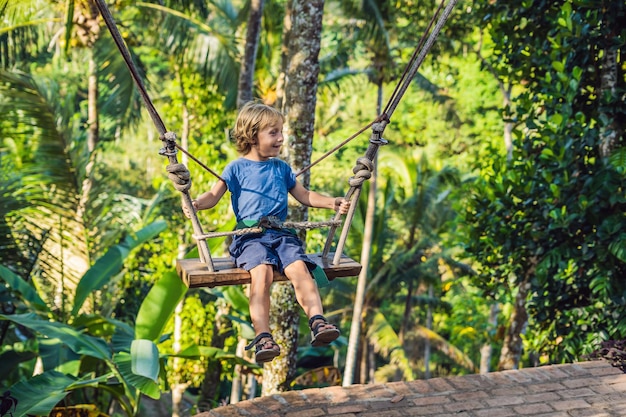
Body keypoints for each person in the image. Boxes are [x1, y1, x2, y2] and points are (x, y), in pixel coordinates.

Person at [183, 101, 350, 363]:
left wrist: (332, 202)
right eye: (273, 132)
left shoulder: (281, 169)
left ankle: (317, 321)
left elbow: (304, 195)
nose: (281, 138)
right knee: (261, 275)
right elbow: (213, 197)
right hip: (249, 237)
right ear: (252, 136)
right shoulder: (235, 168)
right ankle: (263, 336)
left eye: (281, 131)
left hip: (280, 234)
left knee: (299, 268)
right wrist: (194, 205)